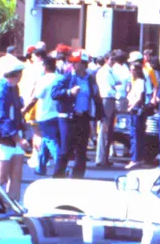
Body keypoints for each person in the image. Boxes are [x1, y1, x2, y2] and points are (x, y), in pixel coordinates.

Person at [52, 50, 102, 179]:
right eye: (72, 62)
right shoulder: (66, 77)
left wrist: (99, 115)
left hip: (83, 117)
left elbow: (96, 97)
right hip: (68, 118)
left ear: (84, 64)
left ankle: (78, 178)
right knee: (65, 150)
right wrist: (69, 92)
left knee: (81, 150)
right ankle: (58, 176)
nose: (73, 65)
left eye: (76, 62)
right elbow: (54, 93)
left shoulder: (90, 79)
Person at [0, 58, 28, 199]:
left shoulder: (13, 88)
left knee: (15, 178)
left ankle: (12, 211)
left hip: (14, 137)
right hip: (1, 139)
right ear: (16, 74)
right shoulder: (0, 91)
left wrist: (22, 128)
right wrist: (18, 138)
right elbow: (2, 118)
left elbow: (15, 112)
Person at [23, 56, 61, 176]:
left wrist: (24, 111)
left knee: (50, 140)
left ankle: (61, 166)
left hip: (46, 114)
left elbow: (34, 98)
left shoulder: (43, 80)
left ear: (45, 67)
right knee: (46, 139)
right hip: (58, 114)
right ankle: (41, 166)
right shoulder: (60, 78)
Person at [94, 52, 120, 167]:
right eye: (111, 59)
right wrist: (116, 89)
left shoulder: (111, 71)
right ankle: (100, 158)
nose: (113, 62)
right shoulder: (104, 71)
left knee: (108, 131)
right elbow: (110, 87)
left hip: (110, 99)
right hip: (106, 99)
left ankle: (104, 157)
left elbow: (118, 82)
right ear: (106, 59)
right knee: (104, 129)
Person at [127, 60, 149, 168]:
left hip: (136, 110)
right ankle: (138, 157)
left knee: (136, 134)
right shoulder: (134, 82)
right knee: (135, 134)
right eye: (130, 69)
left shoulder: (140, 81)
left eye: (133, 70)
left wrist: (132, 106)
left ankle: (135, 158)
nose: (131, 72)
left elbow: (140, 98)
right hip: (133, 109)